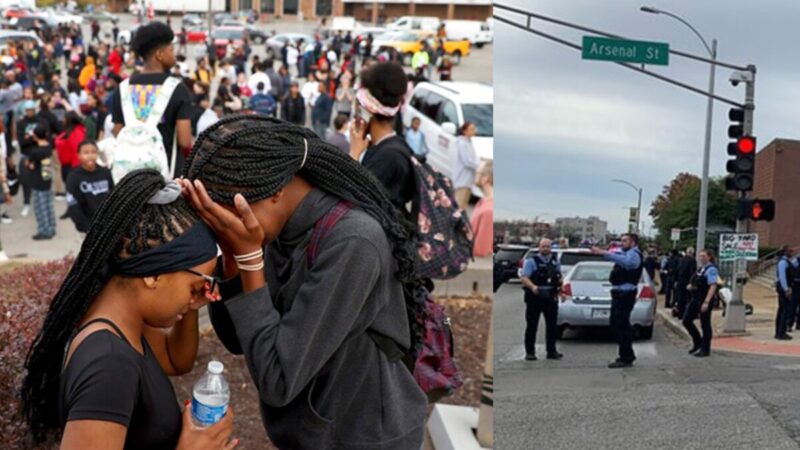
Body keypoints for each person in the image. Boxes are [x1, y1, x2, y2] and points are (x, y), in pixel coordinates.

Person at [179, 115, 427, 449]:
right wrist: (231, 256)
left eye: (227, 215)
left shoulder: (353, 242)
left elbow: (278, 381)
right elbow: (240, 340)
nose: (228, 227)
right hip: (318, 432)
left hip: (364, 437)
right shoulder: (275, 224)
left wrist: (250, 259)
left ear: (275, 189)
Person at [21, 169, 237, 449]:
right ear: (154, 276)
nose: (199, 293)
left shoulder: (122, 320)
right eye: (196, 285)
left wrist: (191, 304)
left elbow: (175, 361)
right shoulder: (108, 365)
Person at [112, 21, 193, 177]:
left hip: (130, 180)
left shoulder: (122, 89)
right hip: (166, 178)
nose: (174, 54)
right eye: (171, 49)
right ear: (159, 55)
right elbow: (184, 141)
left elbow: (118, 132)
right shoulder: (178, 89)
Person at [349, 62, 415, 217]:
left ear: (366, 111)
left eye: (357, 108)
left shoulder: (389, 158)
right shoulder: (388, 146)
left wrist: (353, 155)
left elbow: (354, 205)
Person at [591, 233, 643, 368]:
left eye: (625, 241)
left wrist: (604, 252)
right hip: (618, 294)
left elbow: (627, 263)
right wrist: (599, 251)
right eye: (621, 240)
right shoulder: (625, 252)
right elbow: (616, 253)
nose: (622, 243)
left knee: (621, 325)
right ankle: (626, 352)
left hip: (625, 295)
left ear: (633, 242)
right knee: (616, 324)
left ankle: (626, 357)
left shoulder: (633, 254)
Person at [520, 238, 563, 361]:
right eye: (543, 246)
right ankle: (530, 352)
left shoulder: (555, 261)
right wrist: (533, 287)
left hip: (550, 295)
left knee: (552, 325)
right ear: (539, 247)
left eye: (548, 246)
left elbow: (559, 276)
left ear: (551, 248)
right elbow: (524, 278)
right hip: (536, 295)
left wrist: (560, 287)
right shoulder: (531, 261)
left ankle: (551, 351)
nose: (545, 249)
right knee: (532, 325)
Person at [65, 140, 114, 233]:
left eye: (93, 152)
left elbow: (113, 196)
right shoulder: (73, 177)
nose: (90, 155)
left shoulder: (105, 172)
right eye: (86, 152)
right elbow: (73, 206)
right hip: (87, 228)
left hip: (107, 225)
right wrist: (87, 228)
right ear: (78, 155)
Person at [683, 249, 719, 357]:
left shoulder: (711, 269)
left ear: (709, 257)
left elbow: (713, 286)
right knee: (686, 320)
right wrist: (691, 286)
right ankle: (697, 342)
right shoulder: (701, 269)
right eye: (700, 256)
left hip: (704, 299)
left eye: (703, 256)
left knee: (705, 323)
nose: (701, 258)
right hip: (695, 298)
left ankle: (705, 348)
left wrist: (707, 302)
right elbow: (696, 281)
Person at [28, 125, 56, 240]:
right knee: (49, 205)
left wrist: (30, 164)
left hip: (38, 182)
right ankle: (51, 227)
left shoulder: (35, 151)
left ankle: (44, 231)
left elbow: (30, 165)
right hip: (47, 179)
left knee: (40, 207)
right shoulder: (49, 146)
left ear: (35, 136)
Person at [453, 121, 479, 210]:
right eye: (471, 129)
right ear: (464, 131)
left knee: (463, 205)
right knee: (459, 204)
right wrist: (478, 165)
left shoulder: (468, 142)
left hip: (468, 180)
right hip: (462, 179)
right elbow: (467, 161)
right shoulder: (462, 144)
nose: (474, 131)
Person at [470, 160, 493, 258]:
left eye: (478, 172)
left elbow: (480, 250)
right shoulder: (483, 202)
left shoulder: (489, 211)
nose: (474, 174)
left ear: (486, 178)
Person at [776, 246, 794, 340]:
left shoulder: (786, 261)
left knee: (781, 310)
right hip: (784, 289)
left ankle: (778, 332)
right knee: (784, 311)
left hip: (783, 288)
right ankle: (781, 333)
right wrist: (786, 289)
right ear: (785, 252)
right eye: (790, 251)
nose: (792, 253)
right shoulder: (783, 262)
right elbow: (782, 277)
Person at [674, 247, 697, 319]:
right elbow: (692, 272)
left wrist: (676, 280)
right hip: (687, 282)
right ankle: (687, 314)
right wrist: (692, 282)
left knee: (680, 298)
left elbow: (677, 270)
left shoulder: (681, 260)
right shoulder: (692, 260)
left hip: (680, 281)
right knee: (688, 298)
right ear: (692, 253)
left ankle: (680, 314)